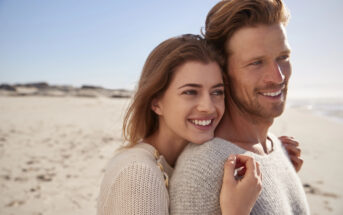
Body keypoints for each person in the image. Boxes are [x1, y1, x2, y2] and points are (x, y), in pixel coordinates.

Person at [169, 0, 310, 214]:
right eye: (256, 62)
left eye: (283, 57)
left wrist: (276, 165)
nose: (278, 76)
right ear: (223, 75)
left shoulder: (273, 147)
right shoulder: (203, 168)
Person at [96, 34, 263, 215]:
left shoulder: (174, 163)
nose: (208, 107)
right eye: (190, 92)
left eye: (217, 92)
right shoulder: (139, 174)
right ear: (156, 102)